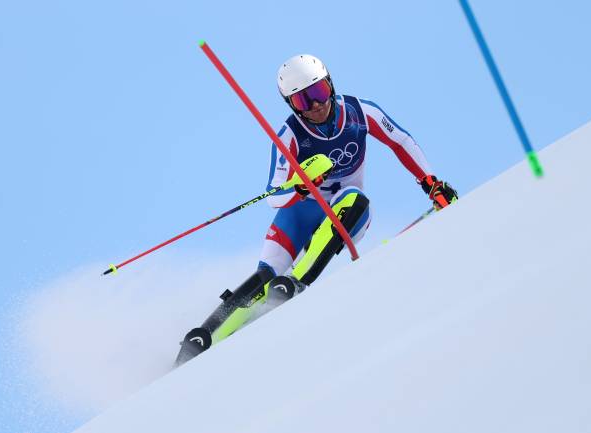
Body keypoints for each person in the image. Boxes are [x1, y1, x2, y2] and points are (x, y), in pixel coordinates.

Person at [175, 54, 457, 366]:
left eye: (319, 92)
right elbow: (273, 195)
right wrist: (298, 186)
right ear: (291, 105)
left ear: (331, 84)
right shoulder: (289, 135)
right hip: (298, 214)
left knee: (355, 197)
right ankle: (203, 338)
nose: (315, 106)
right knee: (264, 276)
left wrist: (430, 183)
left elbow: (400, 141)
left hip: (346, 214)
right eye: (302, 101)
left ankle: (296, 280)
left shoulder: (360, 112)